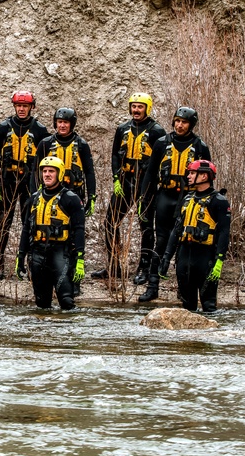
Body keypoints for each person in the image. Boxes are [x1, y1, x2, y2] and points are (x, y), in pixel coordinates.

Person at [138, 106, 212, 303]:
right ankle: (152, 286)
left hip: (188, 200)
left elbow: (208, 177)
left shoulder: (200, 147)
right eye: (177, 121)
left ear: (191, 125)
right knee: (161, 242)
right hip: (165, 196)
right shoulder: (162, 143)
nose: (179, 125)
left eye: (184, 122)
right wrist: (144, 200)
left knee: (183, 245)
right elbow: (150, 173)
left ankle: (183, 289)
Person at [91, 92, 167, 282]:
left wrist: (150, 187)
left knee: (146, 226)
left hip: (145, 185)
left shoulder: (157, 131)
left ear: (147, 108)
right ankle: (114, 266)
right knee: (110, 223)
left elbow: (161, 161)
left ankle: (144, 268)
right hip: (125, 182)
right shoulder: (122, 128)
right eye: (133, 106)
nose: (136, 110)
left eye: (140, 107)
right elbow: (115, 154)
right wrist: (116, 178)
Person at [0, 91, 51, 280]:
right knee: (4, 223)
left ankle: (32, 263)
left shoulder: (40, 130)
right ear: (14, 106)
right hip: (7, 180)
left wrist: (41, 185)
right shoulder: (3, 127)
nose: (21, 109)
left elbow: (46, 160)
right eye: (18, 106)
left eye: (25, 106)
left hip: (29, 183)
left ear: (32, 107)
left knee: (29, 223)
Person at [159, 159, 230, 313]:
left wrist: (219, 261)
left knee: (209, 307)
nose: (188, 176)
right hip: (184, 257)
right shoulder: (187, 198)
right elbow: (177, 230)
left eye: (192, 173)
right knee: (187, 307)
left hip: (206, 258)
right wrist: (166, 257)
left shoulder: (219, 201)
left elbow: (225, 233)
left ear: (204, 176)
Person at [15, 156, 86, 310]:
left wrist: (80, 258)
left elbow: (79, 230)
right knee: (42, 304)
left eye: (51, 171)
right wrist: (21, 256)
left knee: (67, 302)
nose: (47, 174)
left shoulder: (71, 199)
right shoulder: (34, 199)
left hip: (61, 253)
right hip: (38, 254)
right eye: (44, 171)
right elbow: (26, 228)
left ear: (59, 174)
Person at [33, 107, 96, 215]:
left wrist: (91, 197)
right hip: (49, 193)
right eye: (60, 122)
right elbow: (35, 171)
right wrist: (34, 194)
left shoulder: (82, 145)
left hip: (75, 193)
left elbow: (89, 172)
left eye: (66, 122)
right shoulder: (45, 144)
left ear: (72, 124)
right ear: (55, 123)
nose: (62, 125)